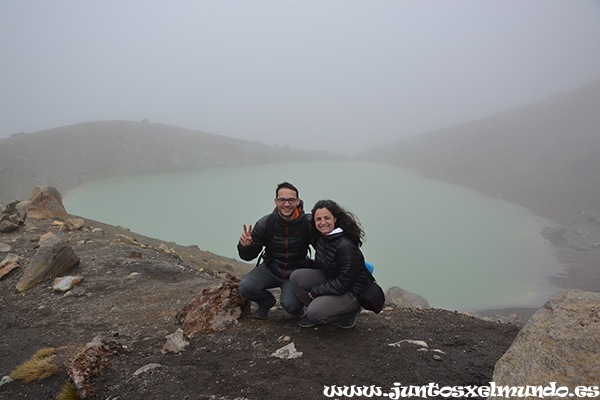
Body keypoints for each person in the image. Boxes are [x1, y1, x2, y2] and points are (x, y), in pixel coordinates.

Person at [290, 199, 374, 329]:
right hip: (332, 278)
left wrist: (317, 291)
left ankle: (349, 313)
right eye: (318, 219)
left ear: (335, 218)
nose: (322, 222)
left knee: (314, 312)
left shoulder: (345, 246)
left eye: (327, 218)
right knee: (296, 277)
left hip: (352, 292)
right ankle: (322, 310)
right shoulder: (323, 237)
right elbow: (325, 263)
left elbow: (344, 283)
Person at [237, 182, 312, 319]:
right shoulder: (266, 223)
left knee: (291, 306)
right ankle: (266, 301)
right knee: (245, 286)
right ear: (276, 201)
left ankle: (297, 308)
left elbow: (323, 247)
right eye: (282, 200)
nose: (287, 204)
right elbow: (249, 256)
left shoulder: (308, 223)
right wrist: (245, 246)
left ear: (297, 201)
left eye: (291, 200)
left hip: (295, 272)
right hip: (270, 268)